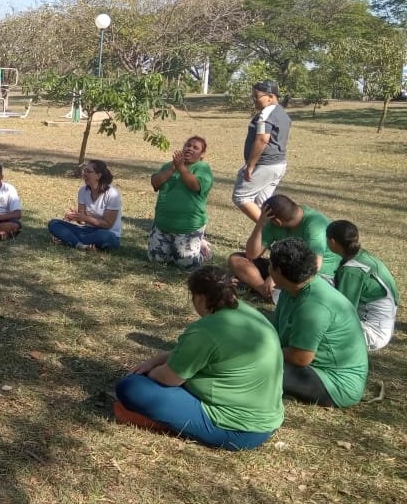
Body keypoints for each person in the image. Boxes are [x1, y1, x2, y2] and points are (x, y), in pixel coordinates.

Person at [114, 267, 284, 451]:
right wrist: (155, 360)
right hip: (266, 422)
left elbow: (168, 378)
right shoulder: (250, 314)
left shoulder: (206, 330)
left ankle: (162, 423)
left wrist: (149, 373)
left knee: (131, 386)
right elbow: (196, 354)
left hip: (235, 429)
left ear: (200, 298)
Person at [268, 238, 368, 407]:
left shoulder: (314, 305)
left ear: (278, 271)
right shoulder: (290, 289)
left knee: (255, 368)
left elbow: (301, 358)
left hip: (335, 383)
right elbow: (276, 332)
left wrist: (263, 352)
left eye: (270, 264)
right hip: (311, 369)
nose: (268, 267)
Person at [227, 194, 339, 302]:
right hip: (283, 268)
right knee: (236, 259)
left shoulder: (315, 224)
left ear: (278, 221)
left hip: (315, 275)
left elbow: (314, 265)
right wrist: (260, 224)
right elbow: (252, 254)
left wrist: (275, 277)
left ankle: (276, 293)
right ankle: (265, 291)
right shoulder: (274, 222)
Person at [327, 220, 400, 351]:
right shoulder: (361, 255)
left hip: (374, 332)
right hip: (384, 325)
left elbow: (343, 311)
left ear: (332, 241)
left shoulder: (351, 270)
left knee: (318, 329)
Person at [147, 136, 214, 268]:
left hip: (189, 226)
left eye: (195, 148)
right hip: (163, 223)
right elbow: (155, 183)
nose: (190, 149)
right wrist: (172, 168)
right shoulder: (169, 166)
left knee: (186, 264)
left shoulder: (203, 168)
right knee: (155, 259)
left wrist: (181, 167)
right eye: (188, 145)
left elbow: (195, 185)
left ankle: (202, 250)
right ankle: (177, 248)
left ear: (202, 154)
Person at [232, 80, 291, 223]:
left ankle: (267, 230)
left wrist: (250, 165)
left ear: (270, 97)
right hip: (278, 165)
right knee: (265, 207)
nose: (254, 100)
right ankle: (275, 233)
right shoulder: (282, 113)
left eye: (256, 96)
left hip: (265, 165)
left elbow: (262, 139)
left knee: (241, 197)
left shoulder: (266, 113)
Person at [47, 159, 122, 251]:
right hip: (86, 231)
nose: (84, 174)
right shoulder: (83, 191)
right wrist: (75, 216)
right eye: (85, 171)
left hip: (107, 233)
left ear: (99, 175)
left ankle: (70, 240)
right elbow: (82, 222)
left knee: (105, 237)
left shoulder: (112, 194)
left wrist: (84, 217)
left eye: (89, 171)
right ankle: (80, 245)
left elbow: (107, 225)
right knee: (54, 223)